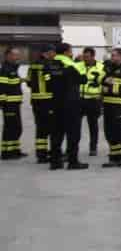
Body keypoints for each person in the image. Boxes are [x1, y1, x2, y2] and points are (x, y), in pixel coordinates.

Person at [44, 42, 87, 170]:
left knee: (56, 133)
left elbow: (47, 82)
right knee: (73, 133)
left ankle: (55, 162)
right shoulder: (71, 65)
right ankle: (73, 162)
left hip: (55, 102)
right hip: (71, 103)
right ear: (66, 52)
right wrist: (80, 63)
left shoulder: (49, 65)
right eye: (70, 51)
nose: (72, 53)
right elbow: (83, 79)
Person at [26, 46, 53, 162]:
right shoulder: (47, 64)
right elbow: (49, 80)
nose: (54, 55)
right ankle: (44, 154)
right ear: (47, 53)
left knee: (40, 127)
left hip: (35, 100)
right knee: (47, 128)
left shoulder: (32, 65)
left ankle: (40, 152)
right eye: (52, 52)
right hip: (46, 100)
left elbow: (28, 81)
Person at [1, 46, 26, 160]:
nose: (18, 57)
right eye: (15, 54)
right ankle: (6, 152)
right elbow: (2, 87)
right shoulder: (5, 69)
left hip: (15, 103)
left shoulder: (12, 68)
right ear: (8, 55)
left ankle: (15, 150)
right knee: (10, 128)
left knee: (16, 127)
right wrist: (3, 102)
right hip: (9, 104)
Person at [79, 47, 105, 157]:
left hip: (93, 100)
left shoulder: (101, 67)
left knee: (93, 125)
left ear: (93, 56)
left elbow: (104, 83)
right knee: (75, 126)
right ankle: (72, 148)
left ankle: (93, 147)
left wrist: (102, 98)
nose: (85, 59)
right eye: (84, 56)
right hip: (79, 100)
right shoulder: (78, 66)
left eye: (87, 57)